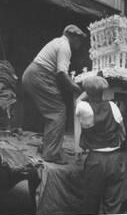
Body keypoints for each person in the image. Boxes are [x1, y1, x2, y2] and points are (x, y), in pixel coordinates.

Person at [22, 25, 85, 164]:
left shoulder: (58, 42)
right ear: (72, 36)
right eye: (79, 40)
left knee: (51, 112)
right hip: (38, 75)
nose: (79, 44)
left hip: (34, 74)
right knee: (58, 111)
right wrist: (77, 88)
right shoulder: (65, 47)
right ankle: (51, 153)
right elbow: (62, 74)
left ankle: (47, 146)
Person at [75, 75, 126, 215]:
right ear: (103, 91)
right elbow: (122, 130)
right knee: (113, 203)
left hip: (96, 160)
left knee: (90, 203)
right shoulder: (112, 105)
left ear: (87, 91)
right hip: (115, 158)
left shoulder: (84, 108)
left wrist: (88, 90)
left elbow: (78, 100)